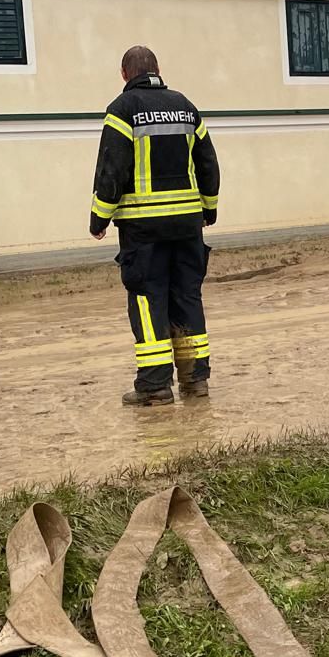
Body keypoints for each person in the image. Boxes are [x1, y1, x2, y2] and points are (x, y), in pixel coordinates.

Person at [89, 46, 220, 406]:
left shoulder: (122, 110)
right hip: (187, 227)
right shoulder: (186, 107)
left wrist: (99, 217)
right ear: (158, 70)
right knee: (187, 298)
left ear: (124, 74)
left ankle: (155, 386)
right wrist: (208, 210)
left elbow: (112, 168)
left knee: (149, 302)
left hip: (143, 231)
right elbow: (208, 164)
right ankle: (196, 382)